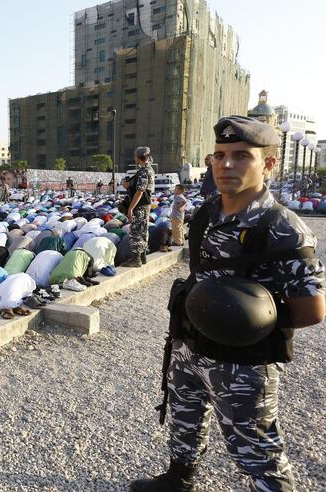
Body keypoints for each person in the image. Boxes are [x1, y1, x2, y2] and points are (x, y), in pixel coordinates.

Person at [130, 115, 326, 492]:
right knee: (185, 418)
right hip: (190, 344)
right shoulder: (208, 211)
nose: (226, 165)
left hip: (243, 361)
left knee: (256, 447)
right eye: (220, 155)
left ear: (268, 164)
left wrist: (243, 315)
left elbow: (312, 310)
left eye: (241, 156)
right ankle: (179, 478)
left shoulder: (282, 226)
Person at [122, 147, 155, 267]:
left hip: (140, 206)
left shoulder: (144, 171)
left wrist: (130, 208)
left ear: (137, 157)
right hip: (144, 206)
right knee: (143, 231)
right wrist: (128, 184)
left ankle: (136, 259)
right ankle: (142, 257)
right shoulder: (147, 169)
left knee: (136, 232)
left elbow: (140, 191)